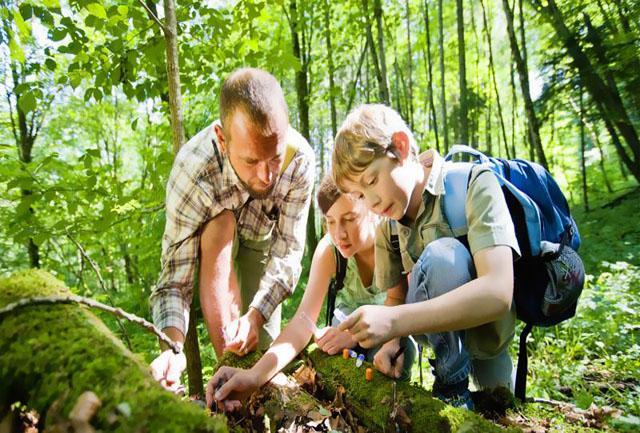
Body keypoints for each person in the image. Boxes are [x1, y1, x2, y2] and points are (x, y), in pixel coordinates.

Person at [331, 104, 520, 409]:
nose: (373, 202)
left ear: (401, 147)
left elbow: (498, 292)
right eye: (361, 196)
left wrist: (394, 322)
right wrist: (392, 342)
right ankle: (451, 386)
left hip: (488, 340)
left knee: (504, 407)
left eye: (371, 181)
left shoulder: (473, 184)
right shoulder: (387, 227)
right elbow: (396, 296)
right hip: (442, 350)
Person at [149, 68, 315, 392]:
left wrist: (255, 316)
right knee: (220, 222)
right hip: (214, 242)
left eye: (274, 157)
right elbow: (174, 278)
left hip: (259, 242)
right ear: (223, 140)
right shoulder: (192, 173)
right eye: (252, 161)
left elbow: (288, 253)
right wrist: (172, 346)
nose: (267, 175)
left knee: (262, 354)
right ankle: (227, 365)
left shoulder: (300, 161)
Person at [207, 175, 415, 411]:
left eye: (350, 219)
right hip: (345, 329)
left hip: (394, 331)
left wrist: (354, 335)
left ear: (371, 209)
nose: (340, 234)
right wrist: (255, 376)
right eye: (331, 222)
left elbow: (404, 304)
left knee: (398, 356)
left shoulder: (393, 238)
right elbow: (302, 323)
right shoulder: (329, 250)